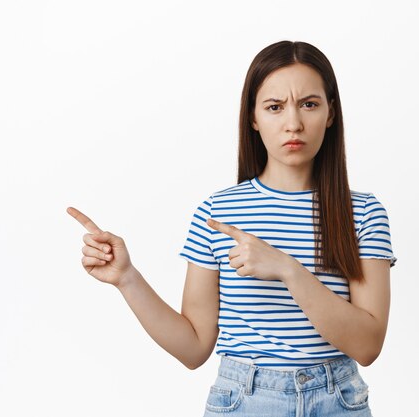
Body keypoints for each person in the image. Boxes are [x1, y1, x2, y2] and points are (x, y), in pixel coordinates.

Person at [67, 40, 396, 417]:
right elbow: (193, 348)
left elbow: (368, 346)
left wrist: (287, 269)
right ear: (253, 118)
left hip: (338, 401)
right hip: (245, 401)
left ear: (331, 113)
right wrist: (127, 278)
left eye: (309, 104)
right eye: (275, 107)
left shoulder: (364, 212)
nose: (294, 123)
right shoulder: (219, 212)